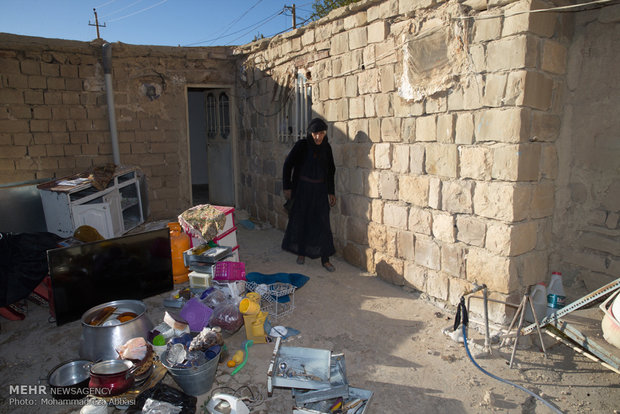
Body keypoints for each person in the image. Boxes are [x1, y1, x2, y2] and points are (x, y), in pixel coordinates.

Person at [281, 118, 337, 272]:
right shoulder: (302, 146)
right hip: (302, 190)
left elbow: (331, 171)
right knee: (302, 221)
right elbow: (288, 165)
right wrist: (287, 186)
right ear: (310, 133)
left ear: (325, 133)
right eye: (315, 133)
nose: (318, 137)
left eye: (321, 133)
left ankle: (325, 259)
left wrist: (331, 191)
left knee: (323, 224)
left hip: (319, 191)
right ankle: (301, 252)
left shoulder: (327, 148)